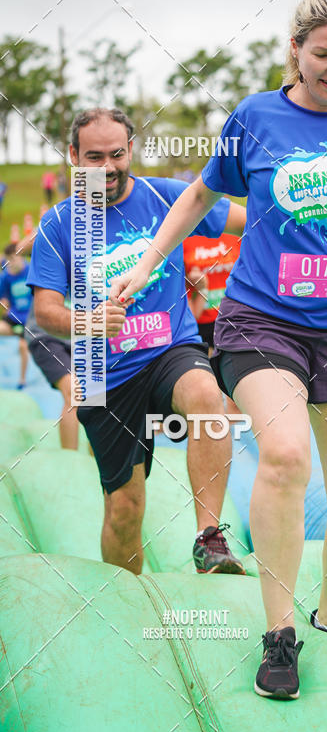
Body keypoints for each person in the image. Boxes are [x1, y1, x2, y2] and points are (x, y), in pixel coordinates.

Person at [110, 0, 327, 699]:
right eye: (322, 54)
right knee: (282, 455)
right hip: (261, 320)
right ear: (294, 52)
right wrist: (147, 262)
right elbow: (199, 197)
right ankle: (279, 632)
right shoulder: (257, 118)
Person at [28, 107, 248, 577]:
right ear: (72, 156)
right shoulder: (58, 223)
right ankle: (130, 602)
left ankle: (210, 539)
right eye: (93, 157)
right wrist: (87, 322)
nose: (106, 168)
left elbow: (248, 221)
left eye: (116, 154)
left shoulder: (166, 196)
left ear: (131, 150)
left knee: (209, 399)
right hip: (101, 377)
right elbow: (42, 313)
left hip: (171, 350)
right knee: (125, 509)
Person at [24, 301, 81, 450]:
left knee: (96, 400)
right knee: (74, 393)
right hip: (46, 336)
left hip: (83, 339)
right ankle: (70, 460)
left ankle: (98, 467)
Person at [183, 233, 241, 351]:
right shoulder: (183, 244)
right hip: (201, 325)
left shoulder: (235, 239)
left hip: (235, 319)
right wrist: (201, 287)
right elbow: (190, 314)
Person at [0, 243, 32, 389]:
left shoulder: (31, 271)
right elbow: (4, 298)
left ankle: (22, 380)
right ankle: (18, 333)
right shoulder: (6, 277)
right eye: (8, 260)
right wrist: (5, 304)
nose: (11, 264)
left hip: (30, 318)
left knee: (22, 346)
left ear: (21, 257)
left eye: (13, 259)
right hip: (14, 316)